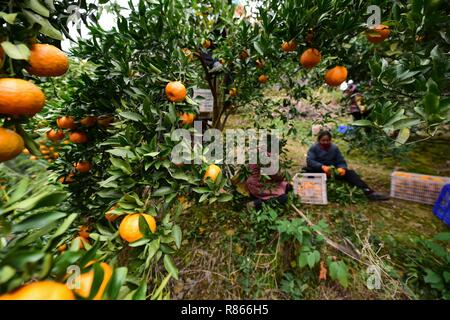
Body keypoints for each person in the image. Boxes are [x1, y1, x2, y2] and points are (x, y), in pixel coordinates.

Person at [304, 131, 389, 201]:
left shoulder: (334, 148)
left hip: (332, 172)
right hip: (319, 171)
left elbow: (341, 161)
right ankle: (309, 193)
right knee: (307, 173)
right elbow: (310, 161)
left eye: (328, 140)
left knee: (350, 173)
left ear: (331, 140)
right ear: (319, 140)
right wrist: (322, 167)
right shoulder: (314, 148)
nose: (325, 142)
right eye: (323, 140)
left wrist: (342, 168)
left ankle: (368, 192)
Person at [246, 136, 292, 211]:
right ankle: (256, 204)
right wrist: (284, 174)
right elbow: (275, 176)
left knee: (287, 186)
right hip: (261, 186)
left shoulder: (256, 152)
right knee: (284, 198)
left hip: (253, 184)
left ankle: (257, 199)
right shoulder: (268, 158)